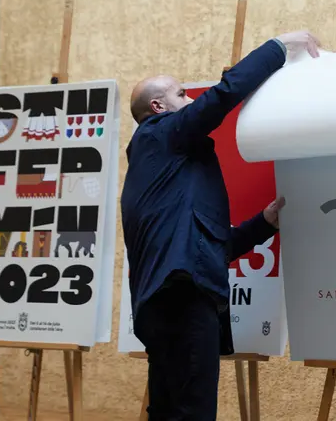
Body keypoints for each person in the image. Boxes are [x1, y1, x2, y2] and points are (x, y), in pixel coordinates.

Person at [121, 30, 321, 420]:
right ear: (159, 106)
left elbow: (213, 247)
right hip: (181, 298)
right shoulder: (160, 135)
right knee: (192, 413)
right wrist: (279, 47)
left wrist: (265, 223)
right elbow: (222, 96)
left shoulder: (166, 169)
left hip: (168, 301)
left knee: (170, 411)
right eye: (181, 94)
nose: (190, 99)